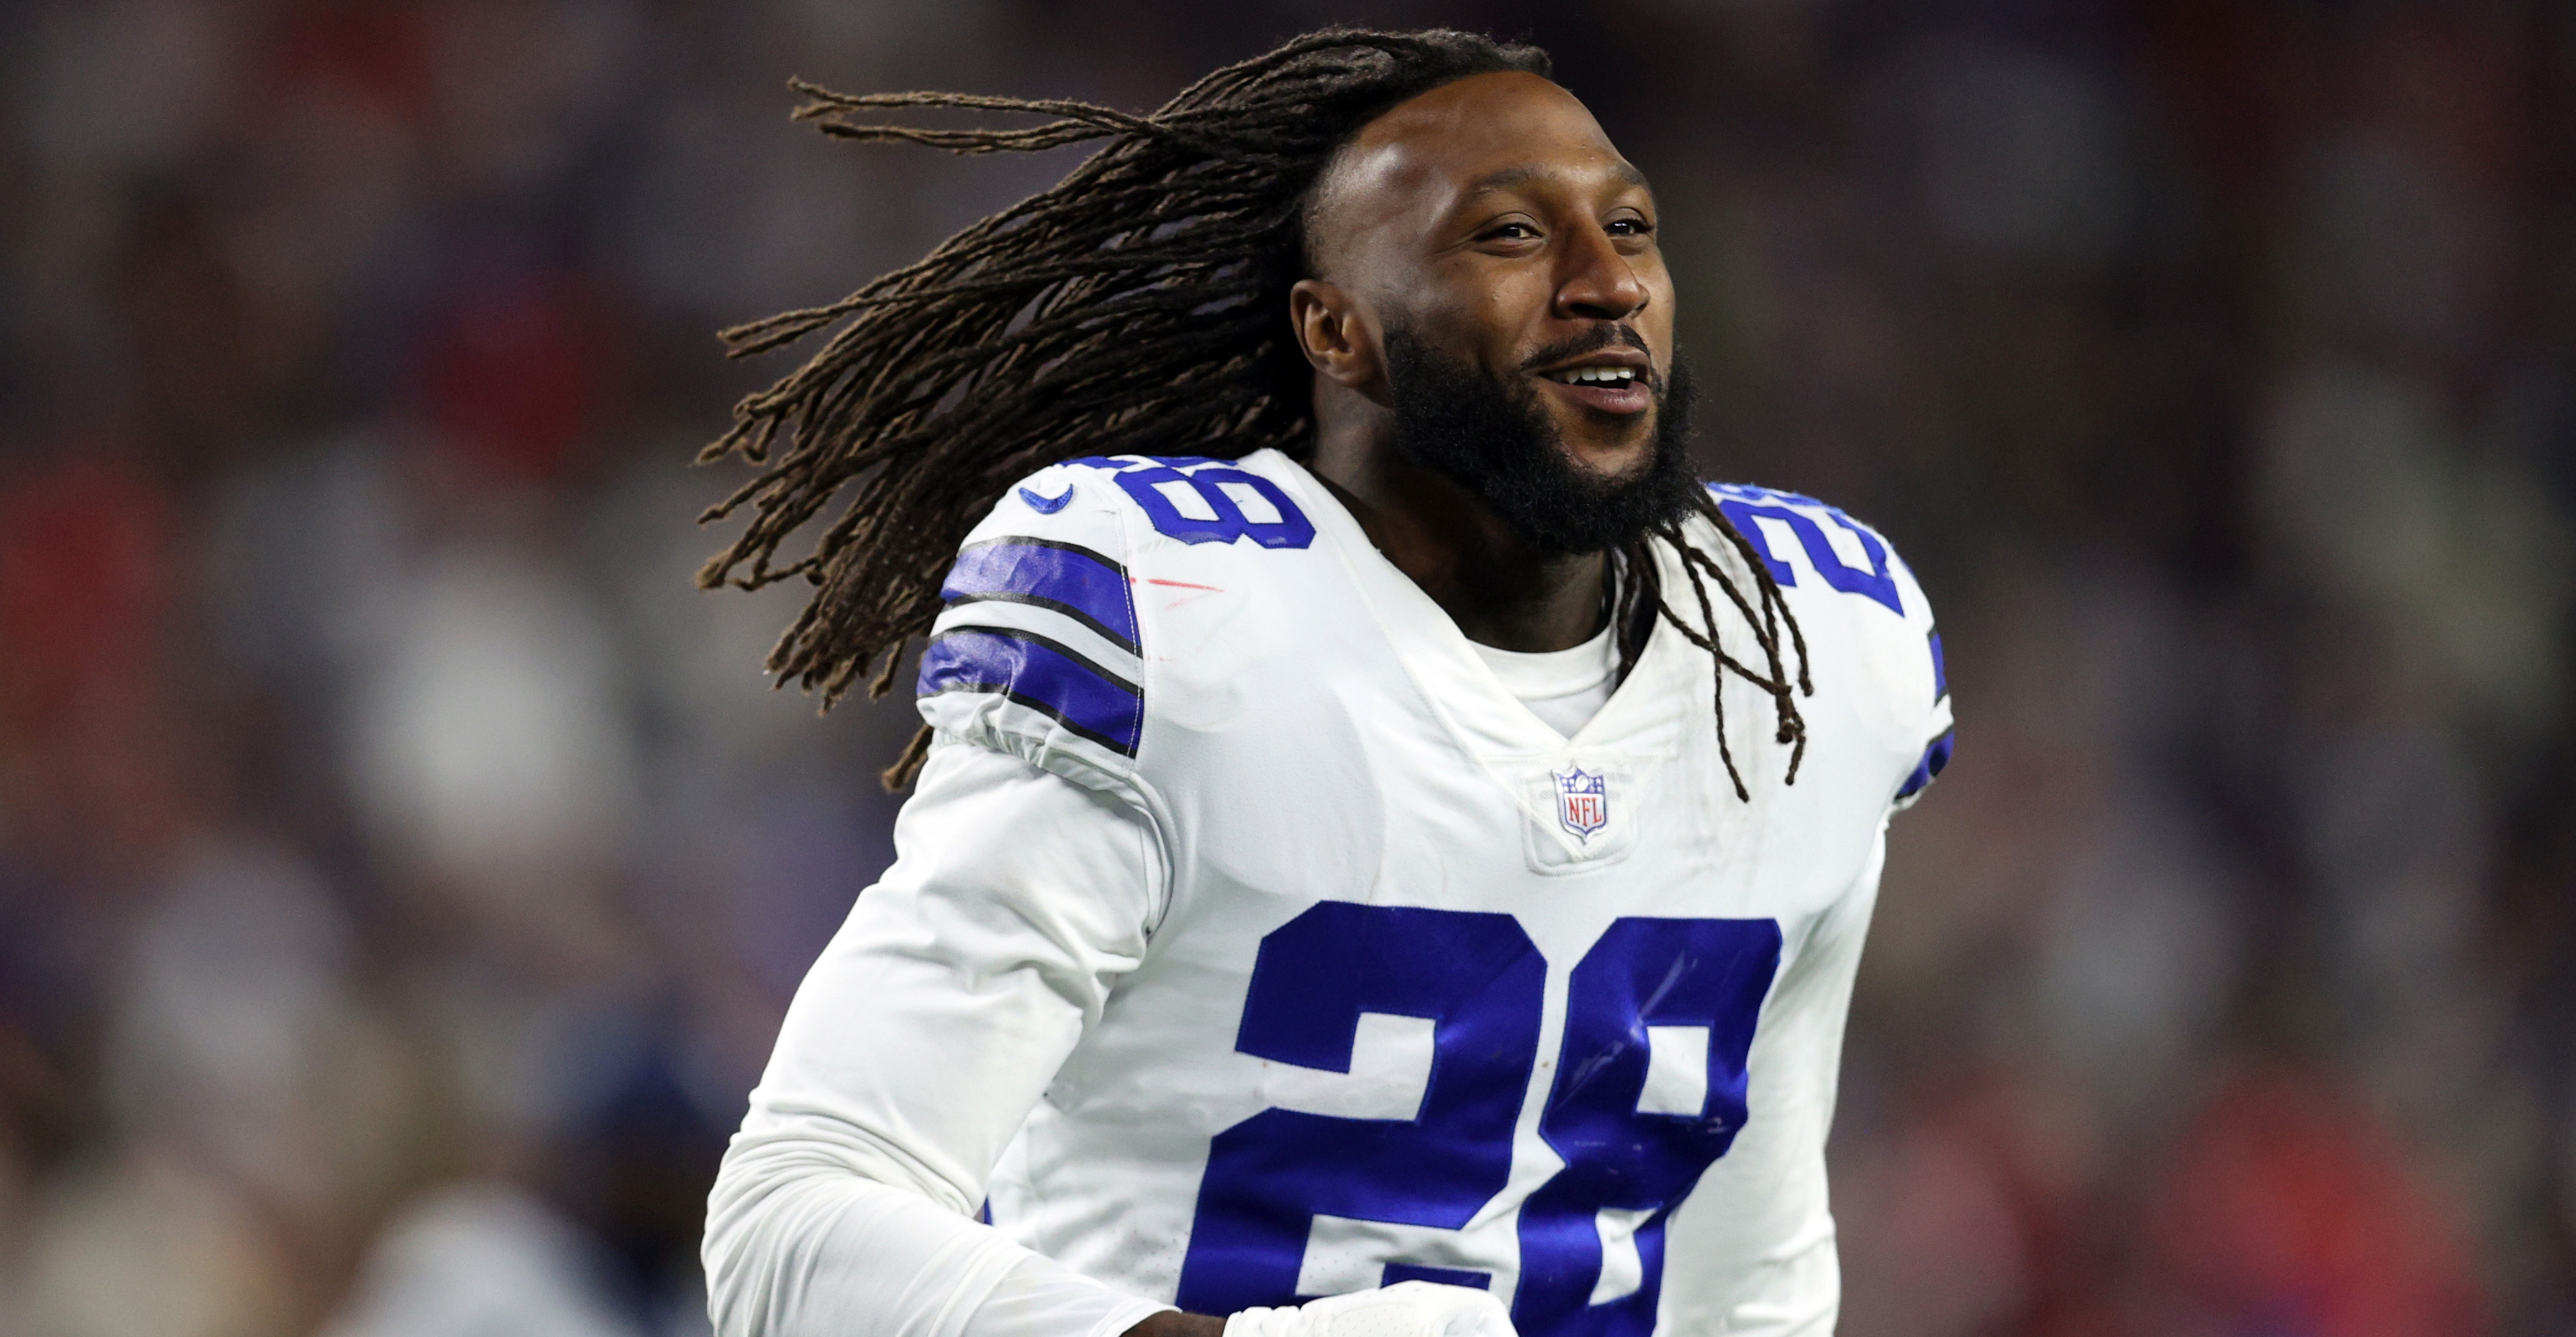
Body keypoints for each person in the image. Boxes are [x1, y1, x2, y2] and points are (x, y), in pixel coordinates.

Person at [694, 28, 1952, 1337]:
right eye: (1512, 236)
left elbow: (1747, 1287)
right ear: (1334, 329)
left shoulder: (1812, 646)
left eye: (1629, 226)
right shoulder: (1177, 619)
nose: (1607, 283)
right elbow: (792, 1230)